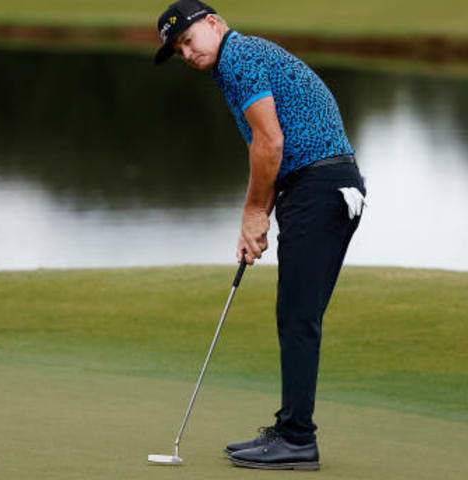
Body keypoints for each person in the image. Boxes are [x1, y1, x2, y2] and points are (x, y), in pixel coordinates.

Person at [154, 0, 367, 471]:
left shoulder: (238, 56)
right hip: (317, 186)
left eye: (188, 40)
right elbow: (275, 146)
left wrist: (254, 211)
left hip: (320, 186)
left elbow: (270, 142)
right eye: (177, 50)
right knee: (297, 313)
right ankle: (290, 428)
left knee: (297, 316)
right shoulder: (241, 59)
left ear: (214, 24)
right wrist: (259, 217)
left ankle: (296, 439)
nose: (186, 53)